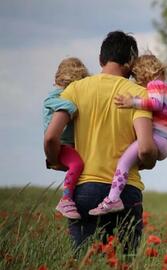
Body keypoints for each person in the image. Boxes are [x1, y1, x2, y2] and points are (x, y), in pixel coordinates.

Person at [44, 30, 158, 253]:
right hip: (126, 192)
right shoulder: (138, 94)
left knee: (86, 261)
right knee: (123, 264)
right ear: (131, 63)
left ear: (100, 60)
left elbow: (50, 137)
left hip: (84, 190)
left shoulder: (75, 89)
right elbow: (145, 148)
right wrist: (150, 160)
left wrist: (55, 160)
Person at [89, 54, 167, 216]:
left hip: (156, 139)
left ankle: (112, 199)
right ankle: (119, 190)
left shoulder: (155, 84)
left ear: (142, 74)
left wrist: (132, 102)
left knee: (123, 162)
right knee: (132, 161)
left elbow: (155, 103)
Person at [43, 57, 88, 219]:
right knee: (77, 163)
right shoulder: (57, 95)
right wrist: (71, 107)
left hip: (69, 144)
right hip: (61, 145)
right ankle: (65, 199)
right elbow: (51, 103)